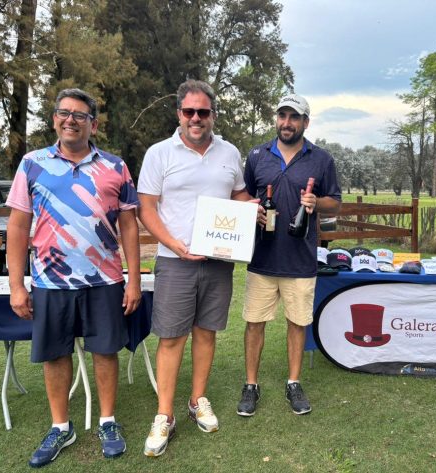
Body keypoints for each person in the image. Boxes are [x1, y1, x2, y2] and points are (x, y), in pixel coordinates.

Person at [6, 88, 141, 468]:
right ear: (54, 120)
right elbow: (17, 226)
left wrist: (133, 279)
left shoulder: (115, 167)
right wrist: (17, 285)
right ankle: (60, 426)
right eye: (64, 113)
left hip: (105, 279)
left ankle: (108, 421)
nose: (71, 120)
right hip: (51, 281)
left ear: (92, 125)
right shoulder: (32, 164)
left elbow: (129, 226)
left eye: (80, 115)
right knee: (55, 354)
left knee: (105, 351)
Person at [137, 79, 257, 457]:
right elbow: (146, 208)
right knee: (172, 337)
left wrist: (250, 207)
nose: (196, 118)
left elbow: (238, 194)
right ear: (179, 113)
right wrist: (173, 244)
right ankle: (164, 415)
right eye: (189, 111)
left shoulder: (229, 152)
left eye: (203, 112)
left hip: (218, 261)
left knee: (206, 333)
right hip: (175, 262)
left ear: (213, 115)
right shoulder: (159, 153)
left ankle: (197, 400)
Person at [237, 93, 341, 417]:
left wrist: (316, 203)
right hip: (262, 258)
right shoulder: (257, 155)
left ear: (305, 122)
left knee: (297, 323)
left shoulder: (321, 159)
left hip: (300, 259)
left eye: (294, 117)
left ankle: (293, 382)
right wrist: (250, 208)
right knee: (254, 323)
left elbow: (335, 202)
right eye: (282, 115)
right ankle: (251, 385)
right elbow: (243, 194)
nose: (287, 122)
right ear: (276, 119)